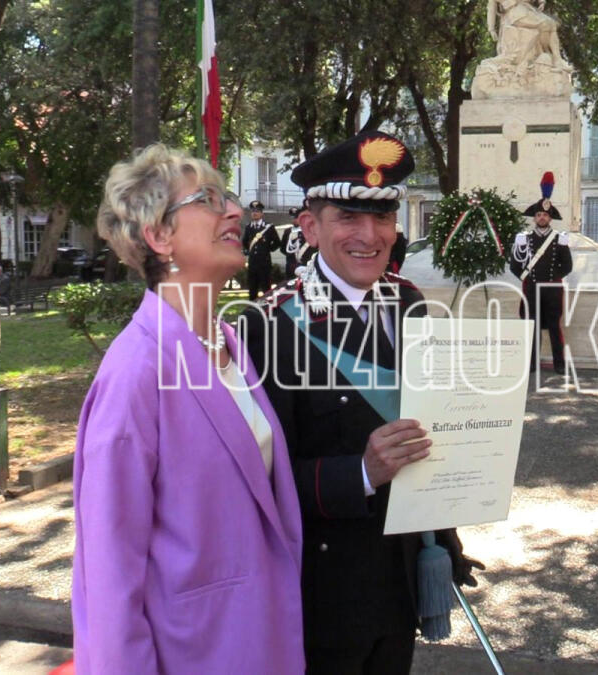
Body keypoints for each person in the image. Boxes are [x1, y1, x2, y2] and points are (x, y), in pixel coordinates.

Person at [243, 129, 481, 674]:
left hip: (400, 577)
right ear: (310, 227)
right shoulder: (268, 325)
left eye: (382, 217)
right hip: (324, 592)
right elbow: (259, 481)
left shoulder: (410, 303)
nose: (369, 236)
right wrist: (362, 473)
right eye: (348, 217)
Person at [72, 145, 304, 674]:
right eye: (209, 200)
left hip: (259, 643)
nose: (234, 211)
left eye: (229, 198)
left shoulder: (229, 344)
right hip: (192, 654)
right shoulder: (135, 372)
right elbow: (108, 572)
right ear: (159, 235)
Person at [509, 173, 573, 375]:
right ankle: (532, 363)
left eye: (545, 215)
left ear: (550, 218)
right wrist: (526, 278)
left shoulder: (559, 239)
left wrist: (553, 278)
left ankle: (559, 363)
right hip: (532, 288)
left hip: (552, 289)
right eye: (538, 215)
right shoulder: (524, 239)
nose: (541, 218)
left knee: (554, 326)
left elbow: (567, 265)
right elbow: (514, 265)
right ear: (534, 218)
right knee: (532, 325)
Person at [242, 199, 281, 300]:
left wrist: (267, 249)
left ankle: (268, 307)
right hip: (252, 263)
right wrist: (247, 251)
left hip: (264, 263)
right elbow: (244, 242)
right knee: (252, 289)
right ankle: (253, 307)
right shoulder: (249, 227)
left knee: (266, 289)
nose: (254, 213)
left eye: (257, 211)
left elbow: (277, 242)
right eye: (253, 211)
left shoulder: (268, 227)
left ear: (262, 213)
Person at [282, 206, 316, 278]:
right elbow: (283, 249)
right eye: (292, 217)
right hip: (291, 267)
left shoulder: (309, 231)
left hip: (306, 265)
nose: (294, 220)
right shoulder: (287, 231)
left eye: (296, 217)